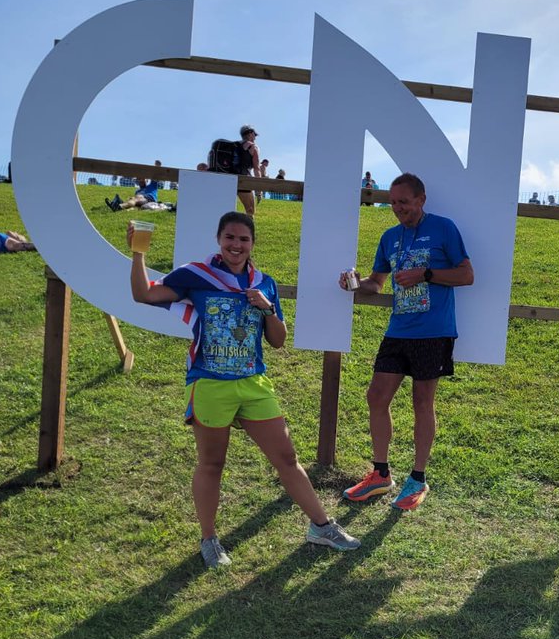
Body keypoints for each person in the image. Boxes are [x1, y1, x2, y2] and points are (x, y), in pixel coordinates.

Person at [129, 210, 359, 566]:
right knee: (212, 463)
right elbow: (144, 294)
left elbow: (278, 341)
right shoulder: (196, 275)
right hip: (210, 383)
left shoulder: (264, 283)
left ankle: (321, 526)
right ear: (219, 239)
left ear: (252, 244)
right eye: (230, 238)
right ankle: (209, 540)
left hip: (253, 383)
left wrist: (267, 309)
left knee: (286, 458)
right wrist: (138, 253)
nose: (236, 245)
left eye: (244, 239)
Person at [339, 173, 474, 511]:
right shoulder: (389, 237)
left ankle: (418, 478)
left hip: (434, 331)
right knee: (376, 396)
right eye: (393, 202)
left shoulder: (444, 228)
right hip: (398, 330)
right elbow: (377, 283)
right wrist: (355, 284)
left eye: (404, 202)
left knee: (422, 403)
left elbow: (466, 275)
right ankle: (381, 474)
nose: (398, 208)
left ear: (421, 200)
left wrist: (425, 274)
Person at [236, 125, 263, 216]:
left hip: (227, 178)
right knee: (250, 211)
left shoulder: (235, 145)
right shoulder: (253, 147)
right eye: (254, 134)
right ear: (251, 133)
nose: (255, 137)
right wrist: (259, 191)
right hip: (243, 180)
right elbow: (256, 169)